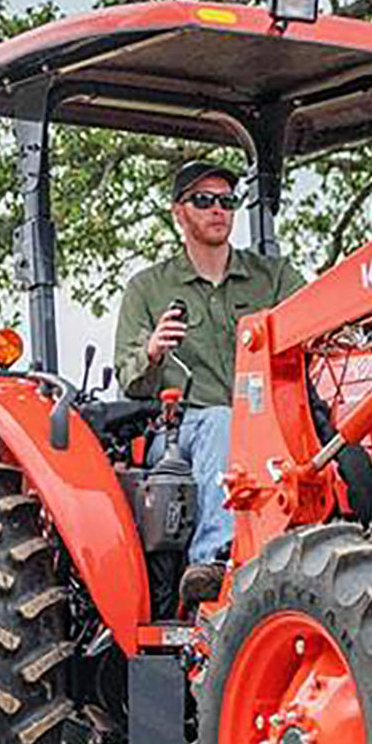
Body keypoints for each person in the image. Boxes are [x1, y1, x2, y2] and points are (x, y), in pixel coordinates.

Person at [114, 160, 306, 605]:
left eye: (226, 201)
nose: (218, 209)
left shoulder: (273, 276)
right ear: (179, 213)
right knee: (224, 422)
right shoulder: (148, 288)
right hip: (182, 432)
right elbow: (129, 378)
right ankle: (218, 560)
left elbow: (315, 317)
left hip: (274, 425)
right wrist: (153, 351)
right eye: (204, 200)